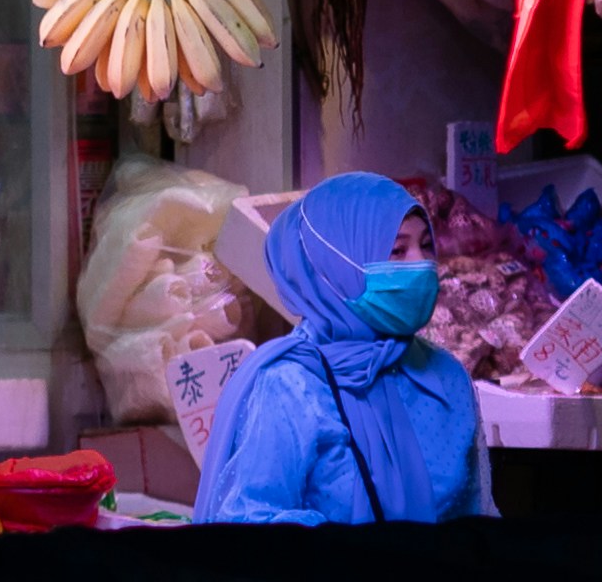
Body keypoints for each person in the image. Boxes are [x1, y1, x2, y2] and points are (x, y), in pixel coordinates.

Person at [195, 224, 498, 526]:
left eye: (427, 245)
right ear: (337, 265)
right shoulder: (292, 383)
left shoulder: (444, 374)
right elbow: (250, 521)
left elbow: (476, 516)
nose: (420, 265)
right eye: (398, 251)